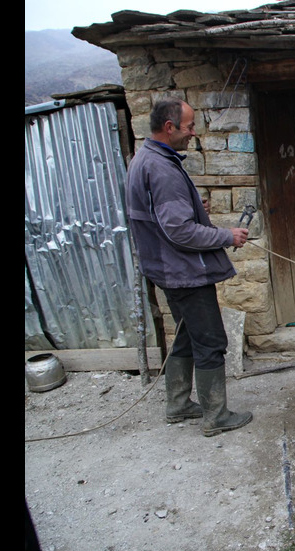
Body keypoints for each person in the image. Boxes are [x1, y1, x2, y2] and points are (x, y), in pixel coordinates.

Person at [125, 97, 252, 437]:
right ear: (169, 127)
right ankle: (216, 416)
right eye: (189, 126)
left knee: (184, 335)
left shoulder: (147, 158)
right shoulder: (162, 168)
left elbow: (164, 216)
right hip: (184, 272)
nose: (193, 133)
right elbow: (179, 230)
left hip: (165, 269)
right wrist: (227, 235)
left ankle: (178, 404)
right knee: (210, 341)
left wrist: (196, 205)